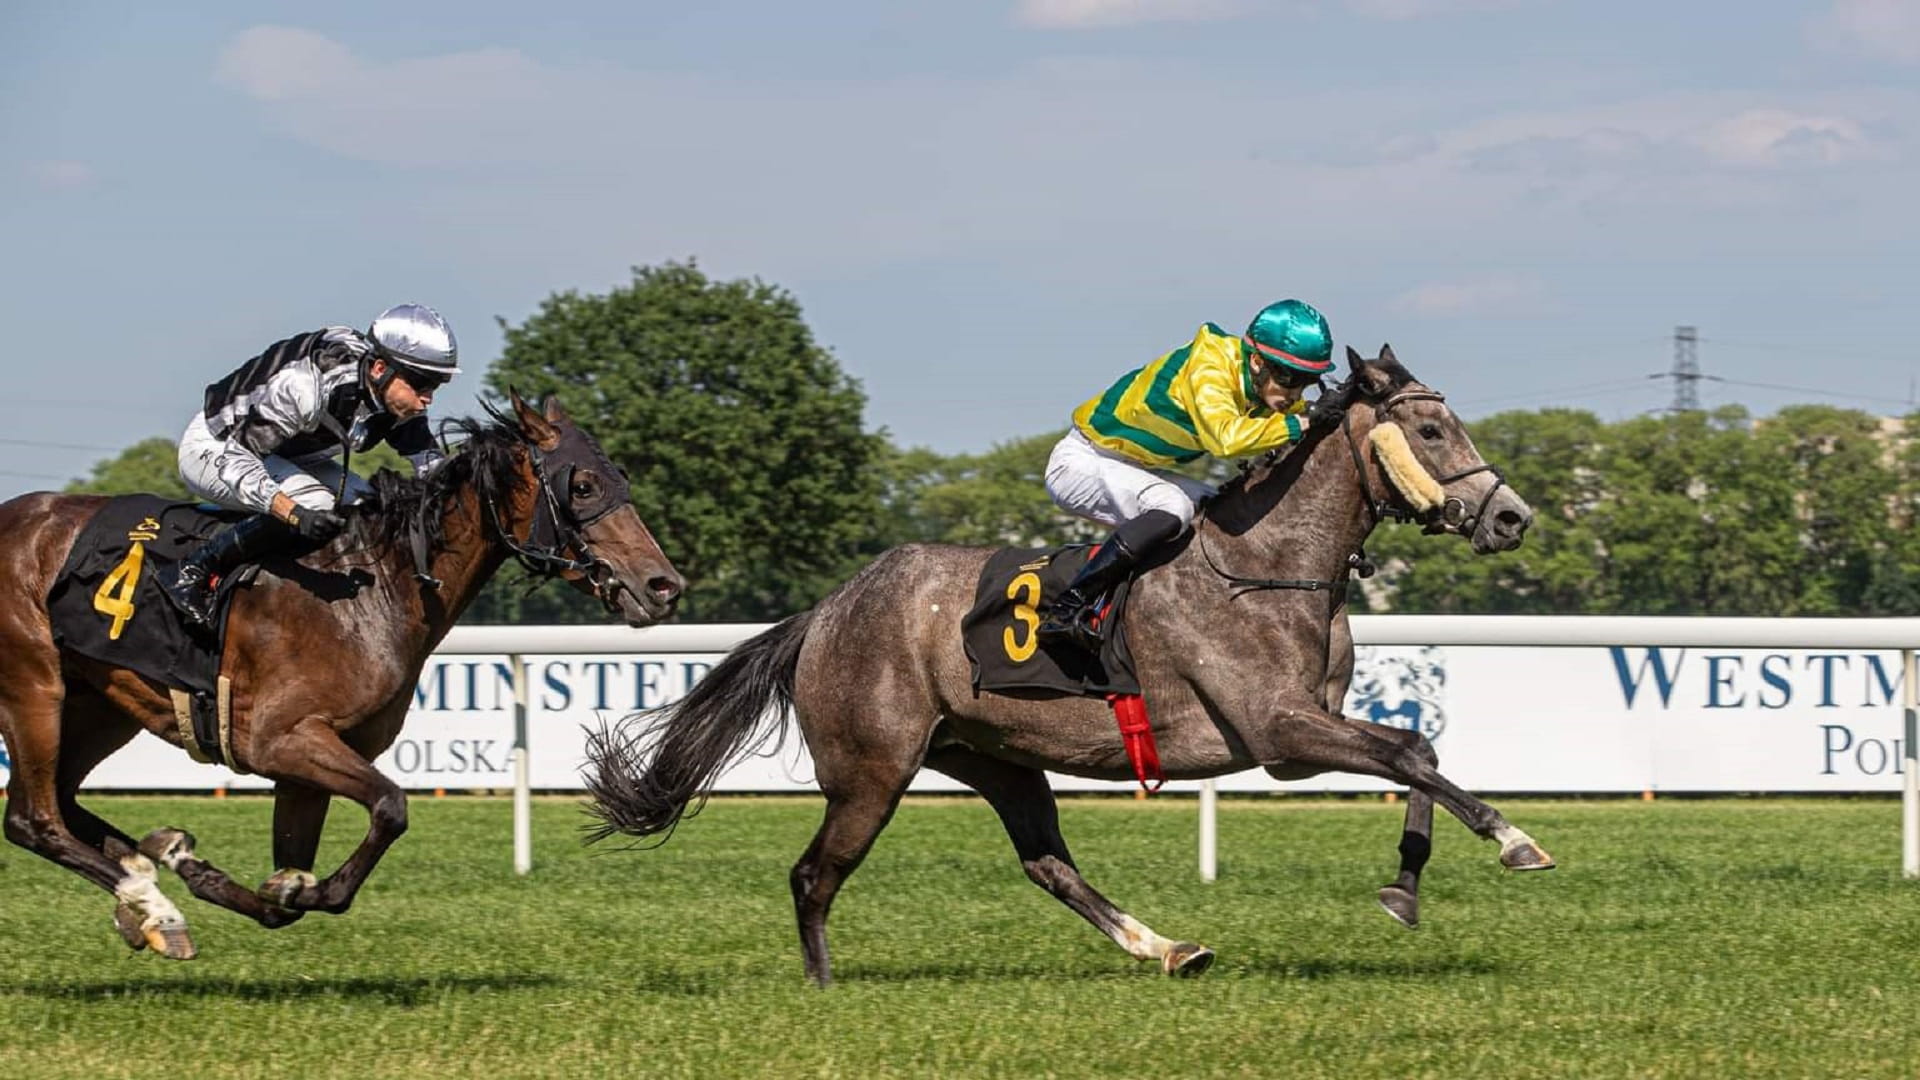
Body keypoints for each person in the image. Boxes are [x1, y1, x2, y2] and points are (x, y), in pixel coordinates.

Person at [1036, 298, 1334, 651]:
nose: (1294, 392)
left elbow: (1292, 421)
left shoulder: (1262, 384)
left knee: (1223, 510)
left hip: (1133, 466)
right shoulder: (1209, 367)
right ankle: (1066, 610)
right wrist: (1304, 420)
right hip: (1081, 462)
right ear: (1256, 361)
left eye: (1307, 381)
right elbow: (1227, 439)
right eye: (1289, 378)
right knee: (1174, 506)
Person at [159, 303, 460, 627]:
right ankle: (195, 569)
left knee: (367, 506)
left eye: (434, 386)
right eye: (421, 384)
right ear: (378, 369)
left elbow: (432, 468)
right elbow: (238, 460)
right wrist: (294, 513)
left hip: (285, 453)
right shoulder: (304, 387)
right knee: (314, 504)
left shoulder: (393, 396)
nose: (427, 399)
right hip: (218, 445)